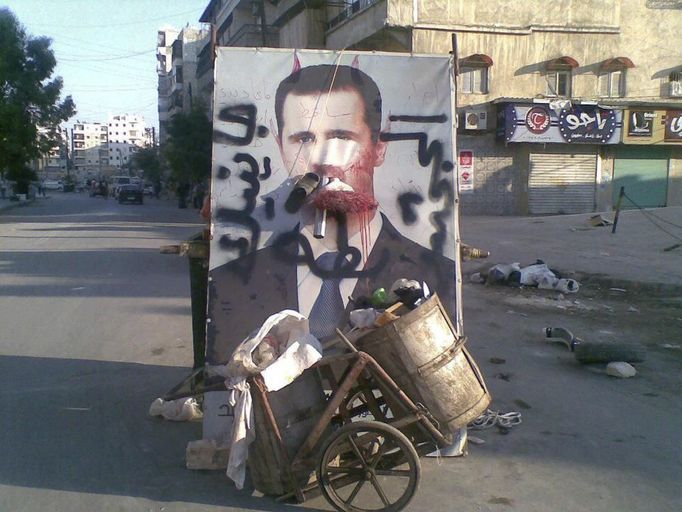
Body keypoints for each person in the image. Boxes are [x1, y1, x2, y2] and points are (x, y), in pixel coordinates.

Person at [207, 64, 456, 364]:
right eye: (303, 139)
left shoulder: (433, 276)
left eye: (341, 136)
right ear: (280, 145)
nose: (324, 162)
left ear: (379, 146)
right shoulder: (232, 283)